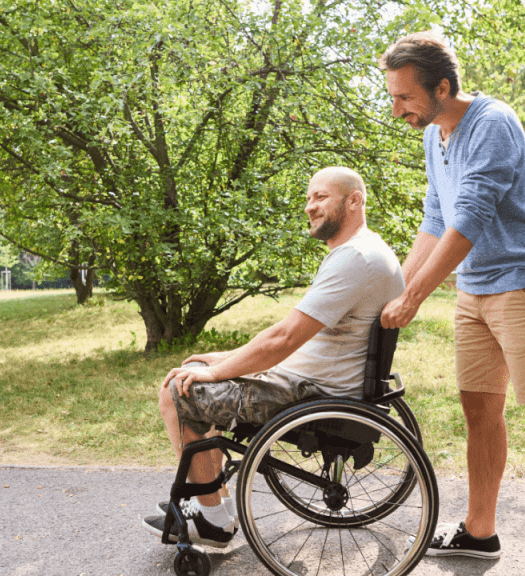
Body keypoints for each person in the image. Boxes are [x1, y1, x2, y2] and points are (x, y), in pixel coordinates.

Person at [377, 31, 525, 576]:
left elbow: (469, 220)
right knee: (479, 410)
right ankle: (480, 533)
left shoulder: (491, 122)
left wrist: (415, 297)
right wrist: (393, 289)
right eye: (393, 97)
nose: (397, 111)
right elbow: (435, 223)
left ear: (442, 86)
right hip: (475, 290)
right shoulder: (434, 135)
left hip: (523, 285)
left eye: (405, 97)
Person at [141, 166, 405, 548]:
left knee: (175, 392)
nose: (310, 207)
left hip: (311, 392)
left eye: (321, 197)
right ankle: (217, 506)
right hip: (314, 380)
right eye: (309, 197)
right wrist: (221, 358)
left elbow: (283, 339)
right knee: (196, 370)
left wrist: (216, 373)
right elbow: (290, 335)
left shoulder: (354, 258)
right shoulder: (368, 250)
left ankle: (214, 523)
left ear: (354, 200)